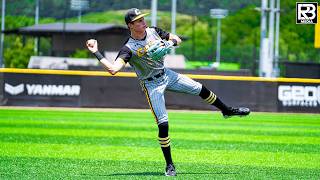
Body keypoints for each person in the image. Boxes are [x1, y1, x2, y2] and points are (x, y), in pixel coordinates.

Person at [86, 8, 250, 177]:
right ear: (130, 25)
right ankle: (169, 165)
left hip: (167, 74)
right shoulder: (128, 49)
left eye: (143, 19)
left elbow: (177, 39)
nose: (143, 22)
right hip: (151, 85)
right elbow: (113, 69)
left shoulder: (154, 31)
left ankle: (227, 111)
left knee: (200, 88)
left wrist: (169, 43)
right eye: (139, 20)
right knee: (163, 124)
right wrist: (96, 52)